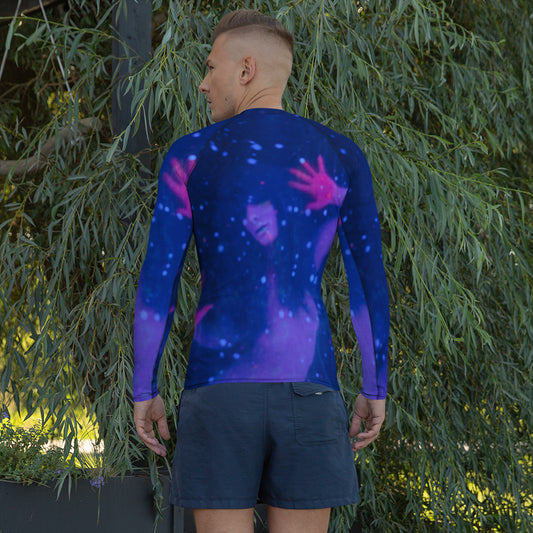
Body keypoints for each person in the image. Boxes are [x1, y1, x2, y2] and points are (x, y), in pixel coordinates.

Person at [133, 9, 389, 533]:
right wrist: (374, 383)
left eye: (211, 68)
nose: (203, 83)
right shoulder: (341, 155)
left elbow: (159, 284)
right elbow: (367, 282)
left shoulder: (190, 156)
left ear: (246, 69)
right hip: (310, 390)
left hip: (218, 393)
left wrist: (144, 388)